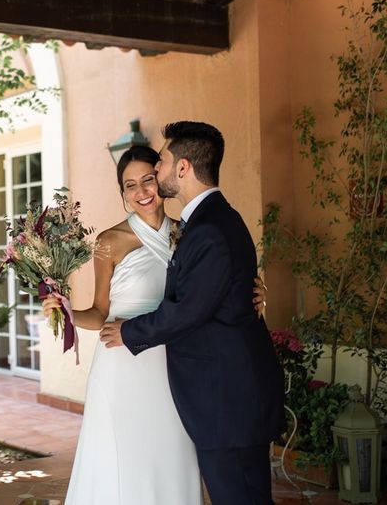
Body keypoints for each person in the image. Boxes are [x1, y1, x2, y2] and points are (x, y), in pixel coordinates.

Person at [43, 144, 265, 505]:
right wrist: (67, 311)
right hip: (123, 363)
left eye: (148, 180)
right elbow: (100, 312)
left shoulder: (190, 234)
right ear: (123, 193)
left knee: (171, 452)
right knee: (125, 459)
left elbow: (211, 289)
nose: (142, 192)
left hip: (177, 364)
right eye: (130, 186)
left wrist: (255, 292)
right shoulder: (109, 242)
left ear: (161, 181)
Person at [100, 122, 285, 505]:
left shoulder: (207, 230)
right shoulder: (209, 221)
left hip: (226, 399)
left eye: (163, 162)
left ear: (183, 168)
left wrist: (129, 332)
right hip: (227, 394)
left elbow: (189, 310)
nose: (158, 172)